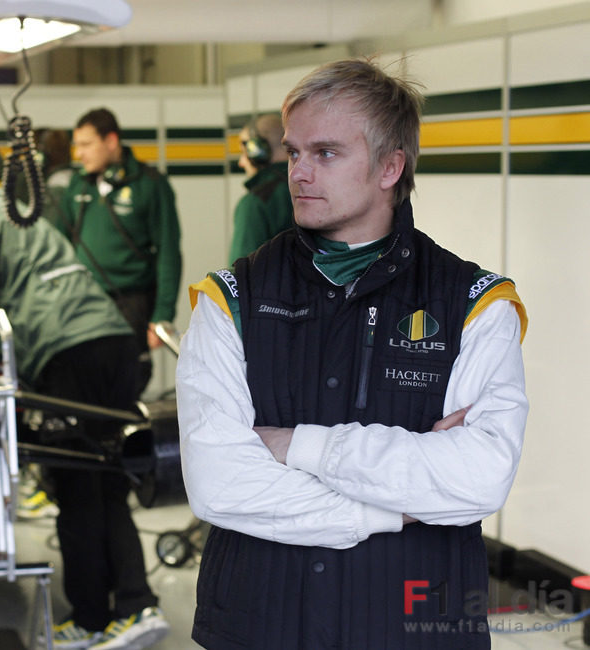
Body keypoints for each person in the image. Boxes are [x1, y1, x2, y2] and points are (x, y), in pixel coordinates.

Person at [177, 58, 528, 649]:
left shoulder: (475, 303)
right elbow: (219, 482)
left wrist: (296, 446)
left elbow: (481, 478)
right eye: (293, 153)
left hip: (411, 628)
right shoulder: (230, 297)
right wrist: (396, 508)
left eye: (326, 153)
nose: (299, 173)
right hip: (260, 623)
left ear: (391, 166)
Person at [0, 153, 169, 650]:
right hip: (109, 340)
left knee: (76, 485)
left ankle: (96, 618)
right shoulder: (5, 206)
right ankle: (134, 605)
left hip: (67, 352)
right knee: (106, 482)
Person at [57, 108, 182, 397]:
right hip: (83, 304)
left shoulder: (150, 184)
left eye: (87, 145)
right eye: (77, 146)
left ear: (111, 141)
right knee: (83, 384)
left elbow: (168, 253)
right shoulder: (77, 184)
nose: (79, 154)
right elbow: (60, 246)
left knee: (127, 384)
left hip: (131, 305)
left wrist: (162, 315)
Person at [228, 114, 293, 263]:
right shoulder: (311, 189)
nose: (241, 162)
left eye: (244, 153)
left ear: (258, 152)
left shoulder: (255, 203)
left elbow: (239, 277)